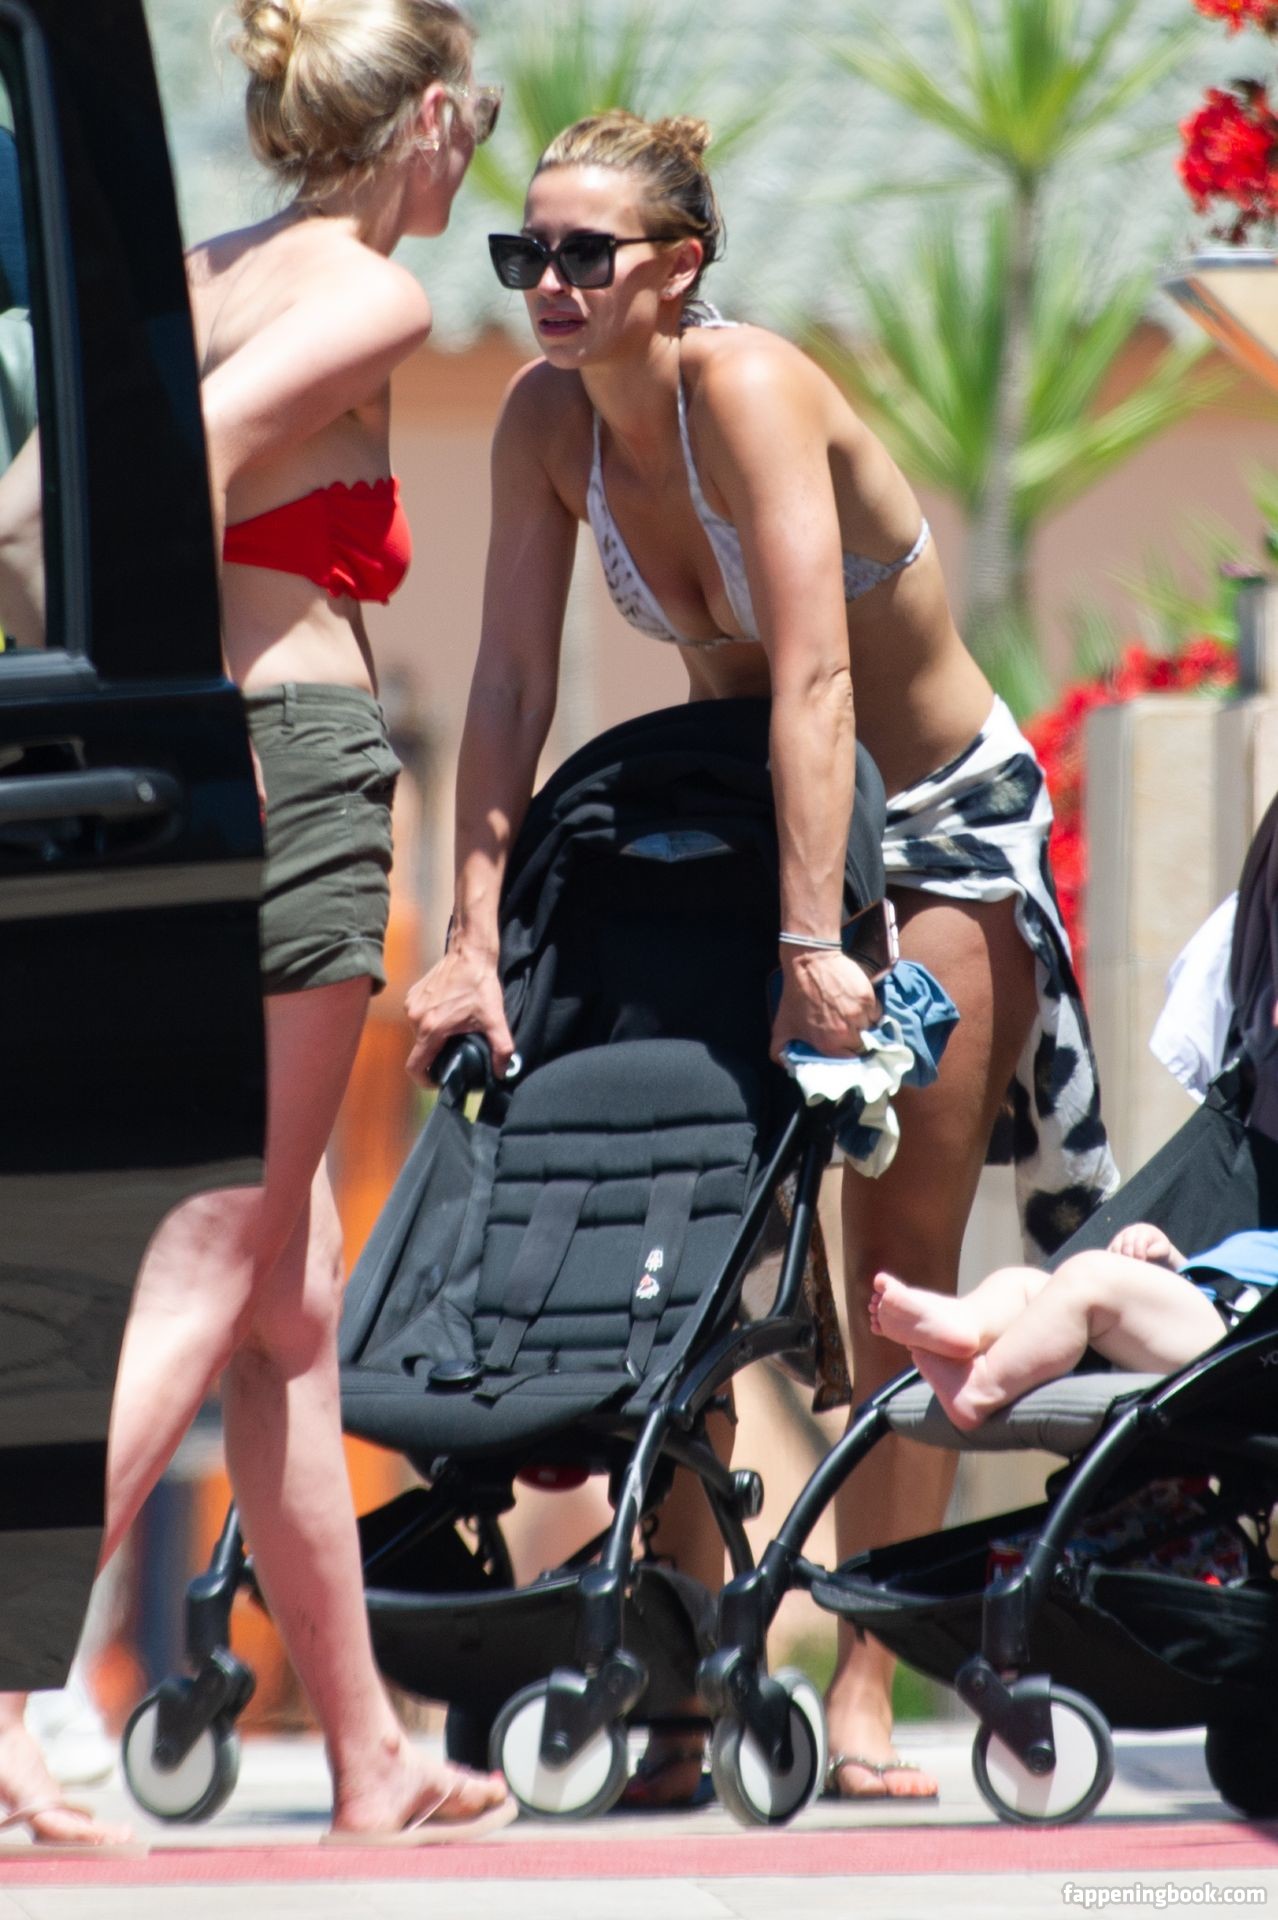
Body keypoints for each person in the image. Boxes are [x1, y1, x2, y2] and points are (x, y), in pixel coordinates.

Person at [402, 108, 1118, 1805]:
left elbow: (815, 675)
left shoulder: (749, 391)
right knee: (683, 1249)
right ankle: (682, 1687)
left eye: (583, 254)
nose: (547, 283)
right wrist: (469, 942)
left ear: (677, 267)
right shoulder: (542, 423)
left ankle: (862, 1681)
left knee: (896, 1267)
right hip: (747, 819)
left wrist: (815, 944)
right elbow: (507, 684)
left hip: (926, 819)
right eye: (523, 253)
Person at [0, 0, 512, 1847]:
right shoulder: (367, 299)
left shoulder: (206, 273)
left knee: (290, 1297)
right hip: (289, 764)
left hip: (170, 768)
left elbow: (32, 521)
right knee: (220, 1253)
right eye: (478, 124)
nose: (478, 161)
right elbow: (135, 492)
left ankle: (369, 1753)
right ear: (427, 117)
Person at [870, 1223, 1278, 1431]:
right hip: (1203, 1304)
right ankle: (966, 1323)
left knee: (1087, 1279)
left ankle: (982, 1388)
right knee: (1023, 1283)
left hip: (1242, 1344)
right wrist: (1168, 1256)